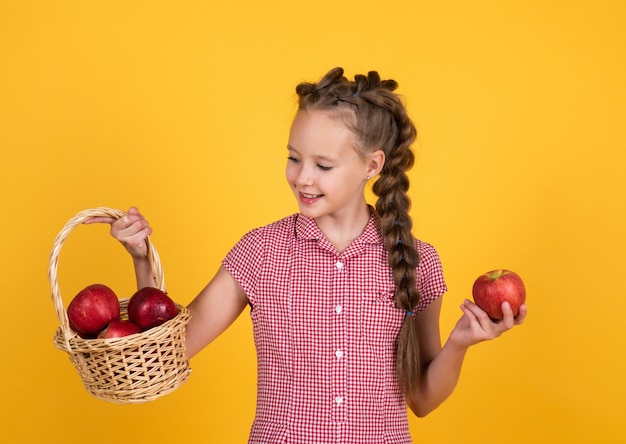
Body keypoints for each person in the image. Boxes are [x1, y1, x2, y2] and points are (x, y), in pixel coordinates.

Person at [88, 67, 527, 444]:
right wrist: (142, 258)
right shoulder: (261, 253)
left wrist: (459, 343)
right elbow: (168, 352)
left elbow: (423, 401)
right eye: (294, 158)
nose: (302, 178)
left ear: (372, 166)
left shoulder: (417, 262)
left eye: (323, 165)